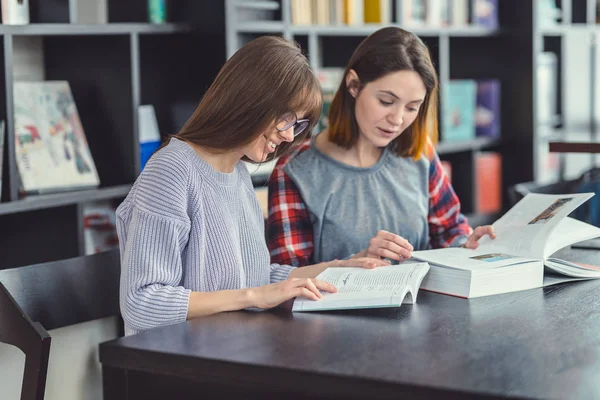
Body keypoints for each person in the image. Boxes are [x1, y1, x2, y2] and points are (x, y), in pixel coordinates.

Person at [116, 36, 387, 336]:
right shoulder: (171, 170)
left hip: (236, 351)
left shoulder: (237, 171)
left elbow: (252, 279)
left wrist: (339, 268)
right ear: (250, 99)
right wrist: (253, 297)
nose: (289, 136)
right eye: (287, 119)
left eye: (297, 126)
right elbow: (141, 302)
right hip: (180, 367)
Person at [267, 27, 496, 268]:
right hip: (338, 305)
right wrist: (357, 261)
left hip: (426, 304)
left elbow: (449, 231)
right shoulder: (294, 171)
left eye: (411, 107)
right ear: (353, 85)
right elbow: (287, 280)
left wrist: (467, 244)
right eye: (386, 101)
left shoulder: (419, 153)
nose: (397, 119)